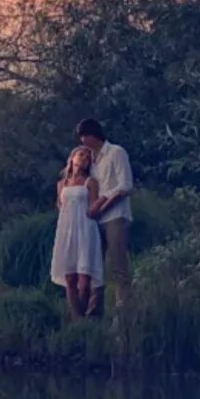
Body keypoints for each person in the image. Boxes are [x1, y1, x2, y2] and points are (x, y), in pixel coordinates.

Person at [73, 119, 134, 318]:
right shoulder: (92, 160)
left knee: (118, 266)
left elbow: (125, 186)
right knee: (93, 266)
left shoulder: (116, 152)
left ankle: (123, 314)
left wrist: (103, 204)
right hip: (96, 221)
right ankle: (93, 313)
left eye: (84, 136)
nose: (83, 141)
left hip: (115, 216)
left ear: (93, 135)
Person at [51, 146, 105, 318]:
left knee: (84, 281)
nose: (84, 158)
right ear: (72, 157)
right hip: (67, 230)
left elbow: (93, 208)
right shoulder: (62, 184)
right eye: (81, 155)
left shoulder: (90, 182)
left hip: (85, 229)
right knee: (70, 280)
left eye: (88, 157)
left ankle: (86, 316)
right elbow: (60, 207)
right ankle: (77, 320)